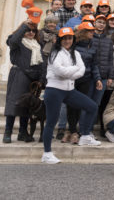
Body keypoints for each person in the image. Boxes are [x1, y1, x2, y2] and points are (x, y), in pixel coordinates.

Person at [42, 27, 100, 164]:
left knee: (92, 106)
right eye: (65, 38)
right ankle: (47, 153)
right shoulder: (54, 54)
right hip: (54, 90)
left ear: (73, 39)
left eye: (70, 38)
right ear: (60, 40)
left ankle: (85, 136)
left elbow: (82, 70)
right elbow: (62, 72)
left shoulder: (75, 53)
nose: (68, 41)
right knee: (51, 122)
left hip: (69, 90)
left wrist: (71, 71)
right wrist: (74, 70)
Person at [3, 15, 44, 143]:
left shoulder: (38, 45)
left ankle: (22, 132)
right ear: (23, 29)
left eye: (33, 30)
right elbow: (12, 42)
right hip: (19, 75)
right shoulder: (17, 42)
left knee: (27, 106)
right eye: (28, 30)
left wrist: (42, 80)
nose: (31, 32)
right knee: (14, 103)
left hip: (33, 79)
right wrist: (25, 26)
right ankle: (8, 131)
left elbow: (43, 63)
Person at [66, 22, 101, 143]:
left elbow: (94, 64)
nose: (92, 32)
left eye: (93, 31)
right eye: (89, 31)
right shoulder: (72, 44)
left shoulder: (93, 46)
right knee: (71, 106)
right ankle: (71, 130)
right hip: (72, 79)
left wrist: (98, 79)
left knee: (81, 105)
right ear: (82, 32)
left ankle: (79, 131)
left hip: (86, 80)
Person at [91, 15, 114, 136]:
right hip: (91, 77)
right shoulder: (90, 38)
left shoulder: (108, 40)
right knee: (91, 103)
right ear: (94, 23)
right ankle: (88, 128)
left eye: (103, 23)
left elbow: (111, 59)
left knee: (101, 104)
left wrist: (111, 76)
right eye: (99, 22)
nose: (101, 24)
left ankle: (102, 128)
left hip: (104, 76)